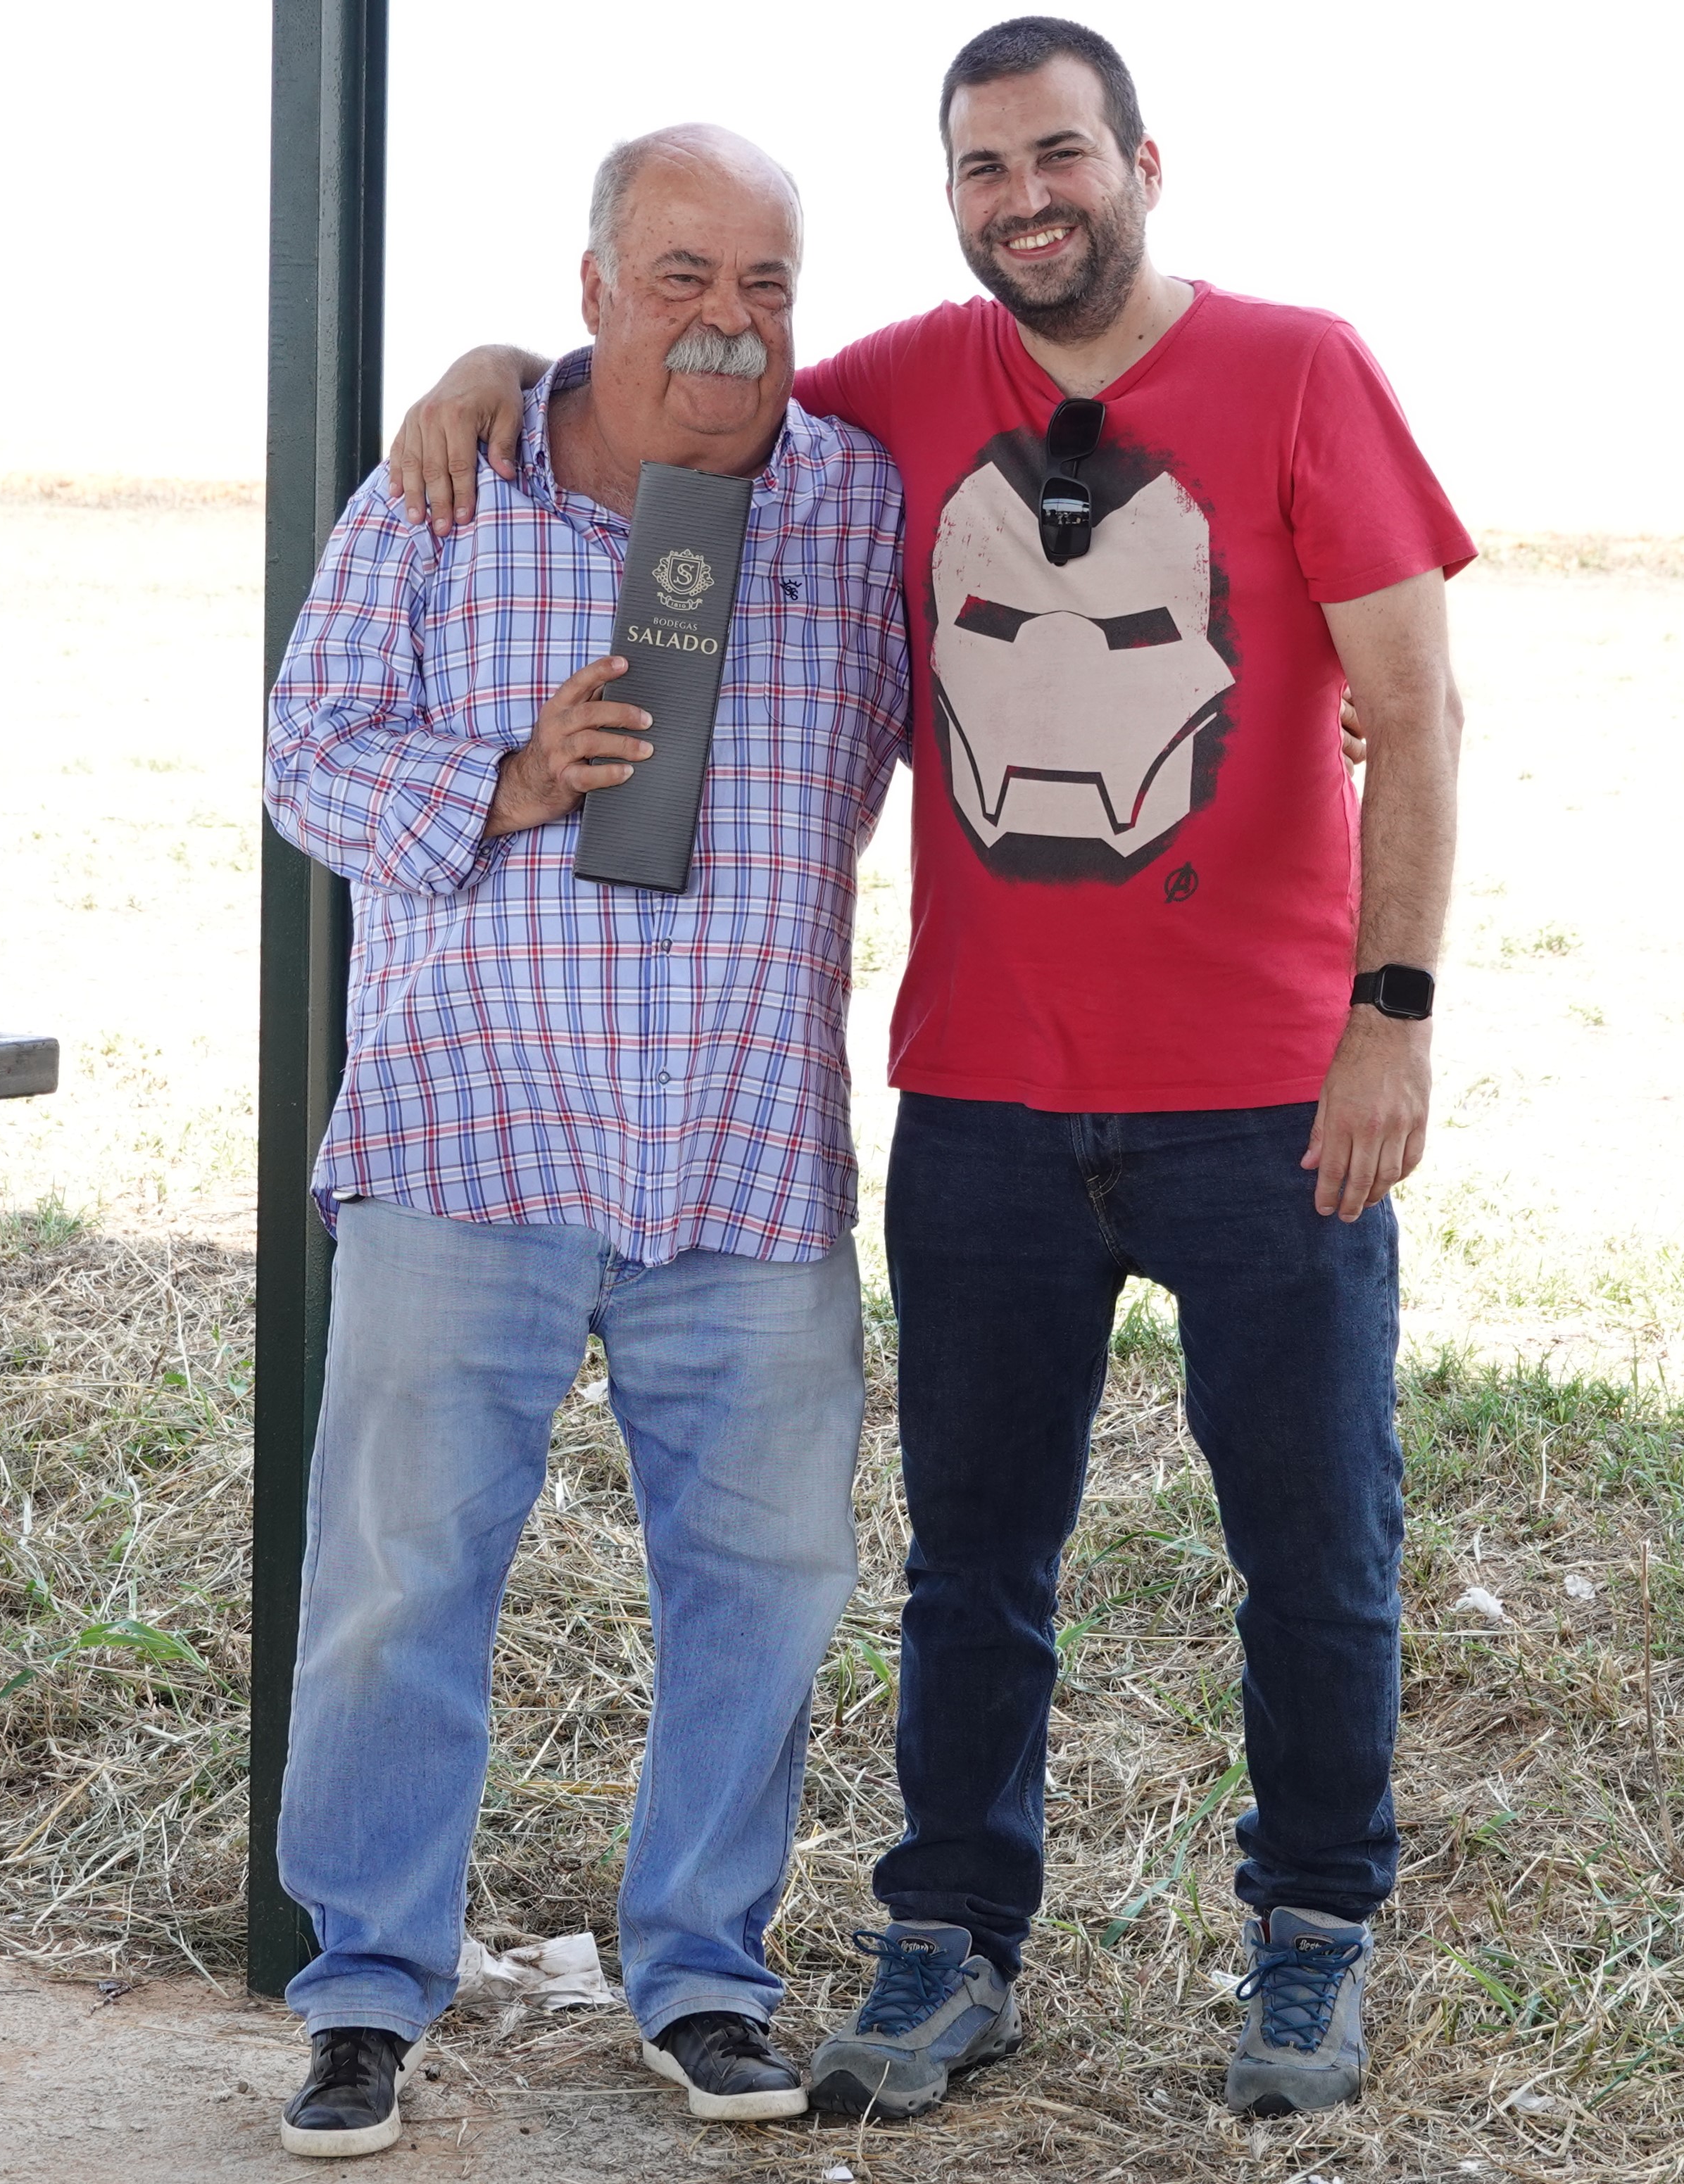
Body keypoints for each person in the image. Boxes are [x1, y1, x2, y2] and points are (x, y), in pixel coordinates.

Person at [382, 17, 1472, 2124]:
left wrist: (1393, 1018)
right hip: (984, 1098)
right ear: (953, 197)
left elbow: (1416, 709)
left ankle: (1311, 1936)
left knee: (1316, 1544)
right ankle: (953, 1937)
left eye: (1059, 156)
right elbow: (683, 370)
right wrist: (492, 370)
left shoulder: (1301, 370)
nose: (1025, 200)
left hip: (1266, 1094)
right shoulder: (900, 387)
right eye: (983, 169)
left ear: (1141, 162)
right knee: (972, 1561)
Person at [259, 123, 911, 2159]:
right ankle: (366, 1993)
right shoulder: (448, 487)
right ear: (595, 286)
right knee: (397, 1586)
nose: (727, 320)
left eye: (767, 284)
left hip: (744, 1160)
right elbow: (305, 752)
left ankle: (706, 1975)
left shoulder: (856, 503)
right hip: (473, 1140)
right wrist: (511, 779)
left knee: (769, 1590)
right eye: (682, 276)